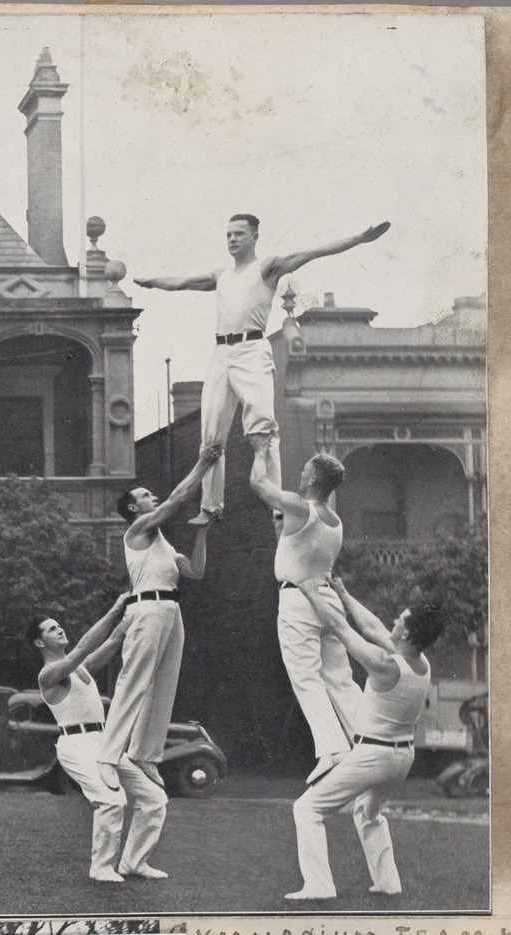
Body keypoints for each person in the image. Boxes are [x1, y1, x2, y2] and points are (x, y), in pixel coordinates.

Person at [134, 216, 389, 525]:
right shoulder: (222, 275)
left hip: (251, 350)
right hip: (220, 353)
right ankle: (211, 506)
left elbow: (312, 253)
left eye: (238, 234)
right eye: (228, 234)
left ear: (254, 236)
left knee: (262, 429)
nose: (231, 239)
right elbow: (182, 282)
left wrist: (358, 238)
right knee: (211, 435)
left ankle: (276, 505)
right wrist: (151, 282)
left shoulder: (266, 268)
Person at [285, 579, 444, 900]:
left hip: (374, 756)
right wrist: (343, 592)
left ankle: (319, 886)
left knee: (307, 809)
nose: (394, 622)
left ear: (407, 634)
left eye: (400, 620)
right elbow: (372, 626)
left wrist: (311, 592)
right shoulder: (421, 663)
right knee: (368, 813)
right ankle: (388, 883)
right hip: (402, 758)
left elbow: (341, 628)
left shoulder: (385, 665)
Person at [102, 444, 223, 804]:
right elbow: (175, 501)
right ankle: (108, 756)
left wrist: (202, 531)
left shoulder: (164, 544)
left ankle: (144, 754)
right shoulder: (137, 530)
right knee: (134, 683)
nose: (151, 497)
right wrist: (202, 464)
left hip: (171, 611)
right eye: (144, 495)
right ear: (133, 509)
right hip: (147, 609)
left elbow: (195, 572)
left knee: (164, 686)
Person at [33, 593, 171, 883]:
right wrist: (117, 607)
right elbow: (83, 647)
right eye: (51, 629)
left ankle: (134, 862)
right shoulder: (49, 674)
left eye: (59, 626)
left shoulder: (80, 668)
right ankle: (101, 868)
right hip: (75, 745)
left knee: (154, 798)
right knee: (112, 800)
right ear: (39, 643)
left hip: (103, 742)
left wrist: (138, 610)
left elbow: (111, 644)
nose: (59, 629)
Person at [251, 442, 363, 785]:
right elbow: (293, 545)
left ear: (314, 478)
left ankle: (332, 750)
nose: (300, 474)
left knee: (305, 675)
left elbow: (259, 485)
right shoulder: (334, 520)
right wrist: (279, 524)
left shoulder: (301, 508)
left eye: (305, 471)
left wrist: (259, 451)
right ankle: (368, 737)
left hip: (299, 599)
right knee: (339, 677)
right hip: (326, 600)